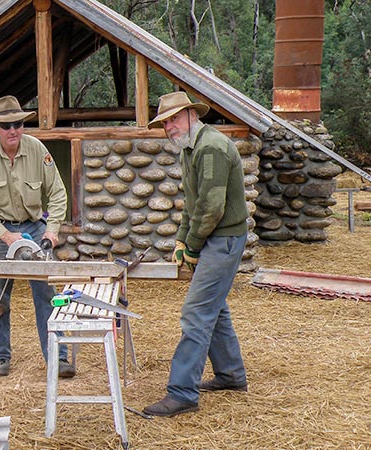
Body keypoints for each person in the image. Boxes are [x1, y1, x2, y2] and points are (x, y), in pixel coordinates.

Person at [143, 92, 249, 417]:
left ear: (191, 114)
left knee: (195, 313)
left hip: (225, 238)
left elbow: (212, 208)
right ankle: (231, 375)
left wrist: (192, 245)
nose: (169, 127)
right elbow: (193, 203)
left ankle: (182, 392)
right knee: (213, 309)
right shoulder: (190, 149)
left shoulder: (211, 147)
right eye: (164, 123)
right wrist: (180, 242)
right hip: (216, 237)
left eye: (173, 119)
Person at [0, 95, 75, 378]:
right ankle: (0, 357)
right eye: (6, 126)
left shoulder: (38, 150)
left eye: (17, 124)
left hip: (33, 226)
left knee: (47, 295)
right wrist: (7, 237)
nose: (12, 130)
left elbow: (57, 193)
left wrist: (52, 231)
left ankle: (58, 356)